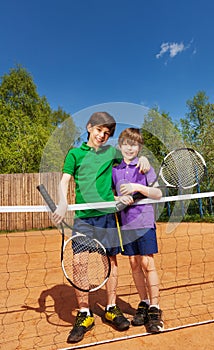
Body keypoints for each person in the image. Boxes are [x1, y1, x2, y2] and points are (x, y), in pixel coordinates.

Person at [52, 112, 150, 343]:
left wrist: (143, 161)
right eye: (99, 130)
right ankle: (85, 314)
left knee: (111, 262)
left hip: (107, 215)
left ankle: (111, 307)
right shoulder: (75, 154)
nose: (102, 136)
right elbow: (65, 180)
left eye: (107, 134)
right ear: (89, 127)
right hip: (84, 218)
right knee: (79, 264)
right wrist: (63, 201)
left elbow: (130, 159)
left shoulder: (111, 153)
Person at [112, 127, 164, 333]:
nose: (130, 148)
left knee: (147, 263)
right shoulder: (114, 170)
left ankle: (155, 307)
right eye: (126, 143)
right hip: (125, 224)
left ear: (139, 147)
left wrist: (137, 187)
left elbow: (158, 193)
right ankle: (143, 302)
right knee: (134, 264)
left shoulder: (144, 167)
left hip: (144, 221)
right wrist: (118, 199)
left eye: (134, 144)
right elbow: (110, 194)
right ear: (120, 145)